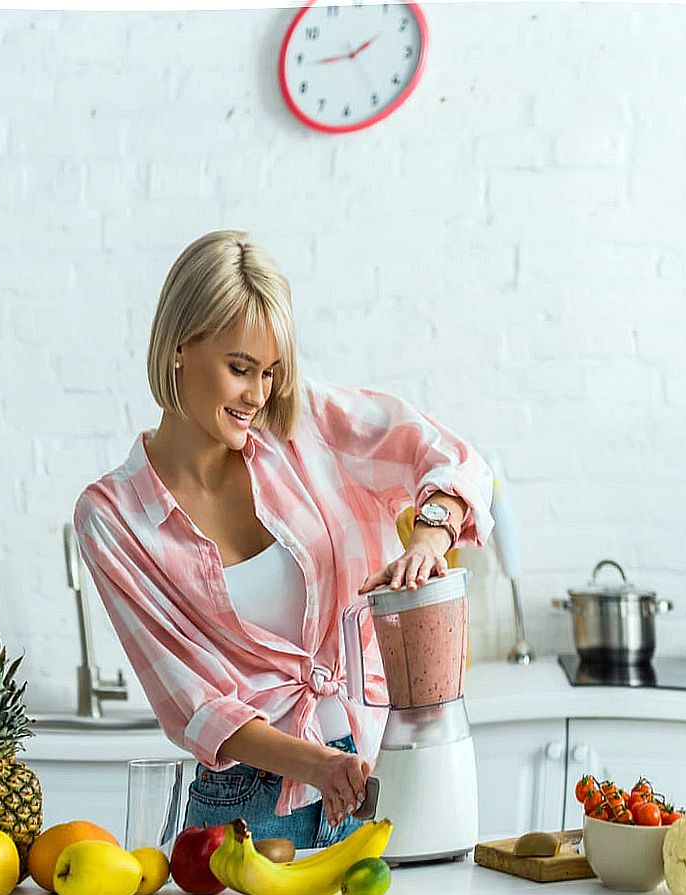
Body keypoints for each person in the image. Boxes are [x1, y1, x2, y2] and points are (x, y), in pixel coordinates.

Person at [74, 230, 493, 849]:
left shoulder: (305, 425)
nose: (259, 395)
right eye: (239, 369)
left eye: (270, 372)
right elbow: (194, 702)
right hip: (248, 805)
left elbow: (447, 455)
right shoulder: (114, 518)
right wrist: (318, 766)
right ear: (179, 347)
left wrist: (431, 537)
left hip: (379, 768)